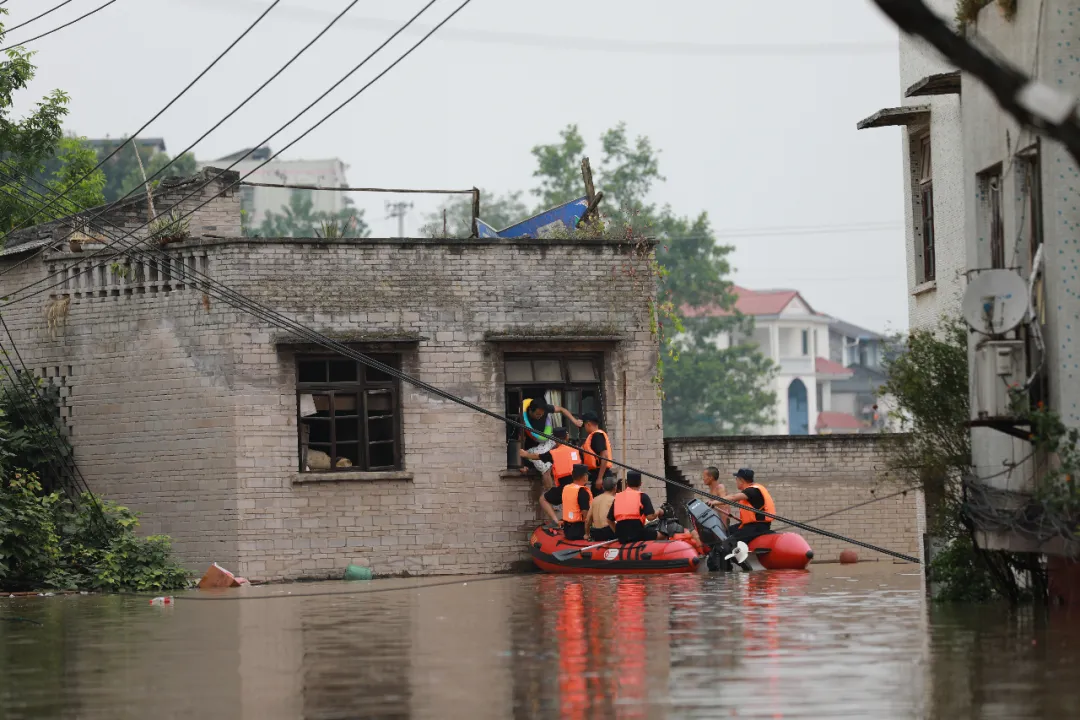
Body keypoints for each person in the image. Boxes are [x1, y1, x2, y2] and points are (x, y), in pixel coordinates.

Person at [519, 398, 583, 479]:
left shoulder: (545, 408)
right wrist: (521, 464)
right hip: (534, 447)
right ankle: (549, 488)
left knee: (564, 436)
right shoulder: (523, 419)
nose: (540, 416)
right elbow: (520, 442)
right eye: (538, 414)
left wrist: (575, 421)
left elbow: (562, 409)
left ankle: (566, 461)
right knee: (546, 469)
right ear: (530, 411)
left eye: (542, 414)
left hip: (546, 439)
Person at [721, 468, 776, 546]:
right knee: (728, 531)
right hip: (751, 525)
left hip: (756, 527)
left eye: (736, 479)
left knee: (728, 542)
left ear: (741, 480)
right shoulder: (752, 489)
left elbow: (733, 497)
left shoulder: (752, 490)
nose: (736, 482)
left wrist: (713, 502)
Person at [607, 471, 664, 543]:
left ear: (627, 484)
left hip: (622, 536)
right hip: (637, 533)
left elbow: (609, 520)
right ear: (640, 483)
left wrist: (618, 533)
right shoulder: (642, 496)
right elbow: (650, 517)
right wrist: (659, 511)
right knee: (662, 535)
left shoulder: (617, 498)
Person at [554, 464, 592, 541]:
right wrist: (587, 534)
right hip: (579, 531)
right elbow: (586, 516)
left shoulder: (566, 488)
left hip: (567, 530)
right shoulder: (582, 492)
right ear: (585, 477)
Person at [579, 412, 613, 495]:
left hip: (601, 476)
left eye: (584, 426)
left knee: (601, 503)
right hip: (598, 475)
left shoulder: (597, 436)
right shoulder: (595, 436)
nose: (584, 429)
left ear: (588, 424)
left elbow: (604, 455)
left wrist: (600, 478)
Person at [585, 472, 618, 541]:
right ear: (615, 487)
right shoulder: (614, 499)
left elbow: (588, 520)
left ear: (603, 487)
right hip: (609, 532)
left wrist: (587, 534)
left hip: (596, 533)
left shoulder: (595, 499)